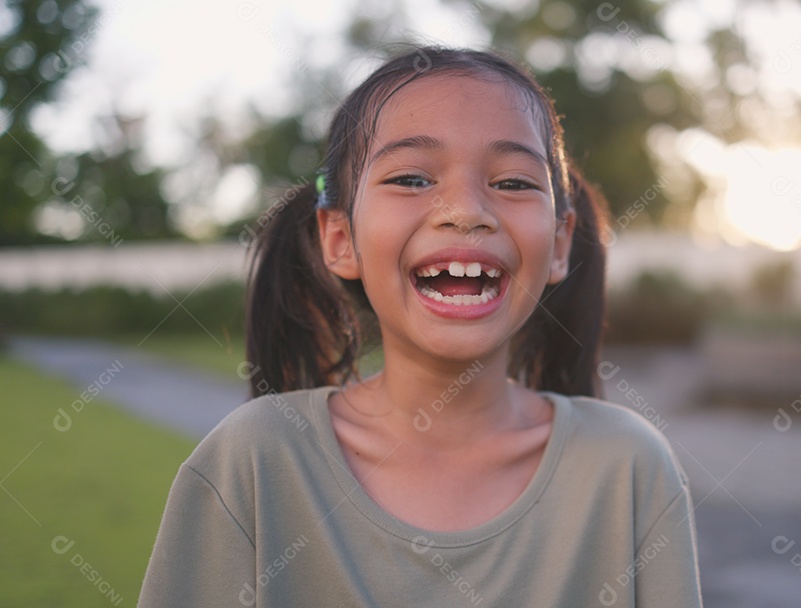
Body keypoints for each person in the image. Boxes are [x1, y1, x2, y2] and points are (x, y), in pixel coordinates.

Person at [137, 46, 702, 607]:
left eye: (512, 182)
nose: (465, 209)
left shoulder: (628, 468)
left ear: (558, 244)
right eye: (410, 178)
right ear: (340, 238)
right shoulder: (253, 462)